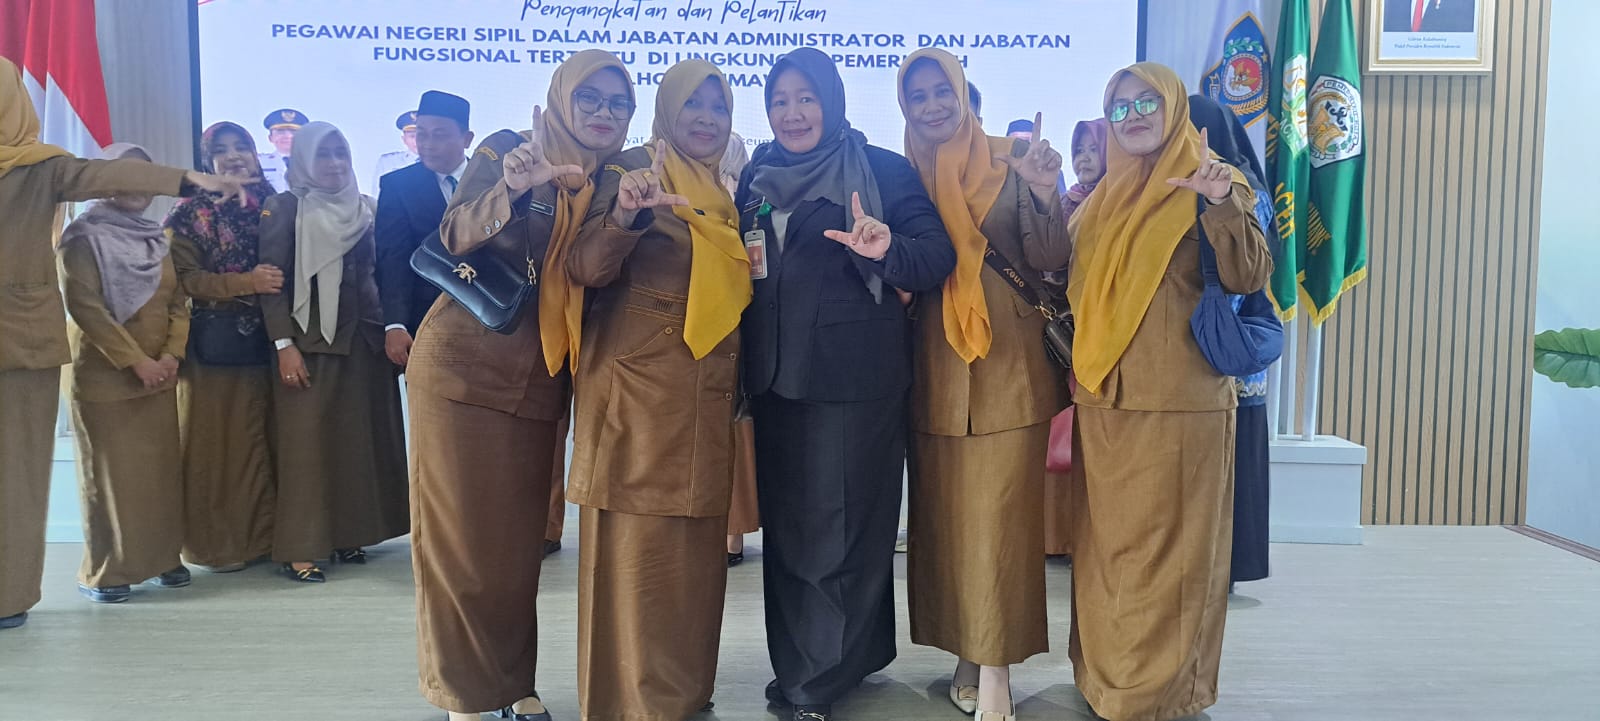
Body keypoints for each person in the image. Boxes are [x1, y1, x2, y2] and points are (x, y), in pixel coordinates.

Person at [406, 49, 634, 721]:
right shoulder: (511, 148)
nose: (603, 112)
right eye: (589, 98)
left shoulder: (612, 178)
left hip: (542, 381)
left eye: (618, 103)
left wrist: (624, 219)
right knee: (459, 545)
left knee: (514, 548)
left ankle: (511, 682)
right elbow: (454, 233)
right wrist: (510, 190)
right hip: (463, 371)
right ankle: (465, 697)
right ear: (562, 98)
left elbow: (589, 270)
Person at [738, 47, 957, 721]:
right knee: (790, 537)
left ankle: (814, 683)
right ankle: (822, 661)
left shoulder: (881, 169)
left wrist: (886, 248)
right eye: (780, 100)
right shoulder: (756, 176)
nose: (793, 113)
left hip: (853, 382)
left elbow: (935, 257)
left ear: (831, 101)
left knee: (838, 531)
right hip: (775, 380)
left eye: (806, 98)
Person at [0, 56, 248, 630]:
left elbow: (105, 176)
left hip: (21, 346)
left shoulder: (41, 169)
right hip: (56, 353)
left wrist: (190, 180)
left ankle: (8, 596)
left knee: (17, 478)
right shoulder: (68, 207)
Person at [1065, 63, 1271, 721]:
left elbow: (1249, 275)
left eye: (1147, 102)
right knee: (1109, 556)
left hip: (1182, 402)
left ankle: (1157, 695)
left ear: (1175, 105)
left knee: (1172, 563)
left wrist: (1218, 202)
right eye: (1120, 107)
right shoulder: (1102, 196)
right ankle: (1107, 682)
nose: (1133, 116)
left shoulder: (1214, 178)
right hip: (1104, 398)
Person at [567, 57, 747, 721]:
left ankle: (682, 696)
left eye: (719, 107)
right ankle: (630, 703)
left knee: (693, 561)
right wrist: (625, 214)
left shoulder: (723, 190)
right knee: (635, 559)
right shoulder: (632, 170)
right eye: (693, 104)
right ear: (668, 109)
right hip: (638, 402)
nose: (707, 119)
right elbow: (585, 265)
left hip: (706, 395)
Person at [896, 49, 1071, 721]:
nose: (932, 105)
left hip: (1009, 369)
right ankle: (967, 654)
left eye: (942, 91)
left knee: (1001, 523)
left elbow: (1050, 257)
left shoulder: (1012, 157)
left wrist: (1046, 192)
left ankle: (996, 668)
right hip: (932, 373)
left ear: (964, 93)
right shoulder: (899, 173)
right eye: (918, 96)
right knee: (948, 523)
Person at [258, 121, 409, 584]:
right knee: (305, 449)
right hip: (308, 345)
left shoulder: (366, 208)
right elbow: (271, 285)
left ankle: (349, 534)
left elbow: (381, 276)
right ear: (304, 159)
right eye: (323, 154)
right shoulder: (285, 208)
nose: (335, 164)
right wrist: (284, 345)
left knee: (354, 445)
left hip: (364, 346)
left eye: (341, 154)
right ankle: (300, 548)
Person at [59, 144, 192, 604]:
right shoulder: (82, 236)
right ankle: (107, 571)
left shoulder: (156, 237)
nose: (138, 185)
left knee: (158, 475)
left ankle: (162, 559)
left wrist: (171, 356)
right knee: (110, 479)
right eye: (125, 174)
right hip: (106, 376)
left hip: (159, 376)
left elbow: (177, 302)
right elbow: (86, 309)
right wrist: (137, 362)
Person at [164, 122, 283, 573]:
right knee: (217, 448)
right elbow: (184, 280)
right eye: (221, 150)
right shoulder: (190, 212)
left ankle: (265, 539)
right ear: (207, 161)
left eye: (242, 147)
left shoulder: (274, 203)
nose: (234, 157)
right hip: (215, 347)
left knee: (265, 438)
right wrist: (245, 283)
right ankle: (218, 547)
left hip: (272, 341)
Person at [1189, 94, 1274, 591]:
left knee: (1229, 464)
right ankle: (1233, 566)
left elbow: (1243, 272)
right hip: (1236, 350)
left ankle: (1226, 566)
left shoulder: (1235, 189)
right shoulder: (1244, 183)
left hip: (1223, 346)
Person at [1043, 117, 1110, 557]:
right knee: (1064, 438)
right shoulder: (1066, 204)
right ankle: (1060, 538)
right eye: (1078, 150)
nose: (1084, 158)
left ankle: (1094, 536)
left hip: (1108, 335)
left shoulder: (1121, 200)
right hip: (1067, 337)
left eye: (1093, 148)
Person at [375, 91, 473, 367]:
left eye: (440, 135)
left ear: (467, 139)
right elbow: (393, 258)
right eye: (421, 134)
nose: (428, 144)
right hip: (427, 318)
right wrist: (395, 323)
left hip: (492, 315)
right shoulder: (398, 185)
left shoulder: (494, 179)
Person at [718, 130, 759, 566]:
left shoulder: (740, 199)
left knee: (729, 425)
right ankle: (732, 535)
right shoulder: (749, 198)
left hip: (728, 322)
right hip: (741, 322)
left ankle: (729, 534)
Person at [1006, 119, 1068, 198]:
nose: (1021, 145)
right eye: (1017, 141)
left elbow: (1061, 202)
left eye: (1026, 141)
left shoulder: (1050, 172)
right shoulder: (996, 169)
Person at [370, 110, 421, 195]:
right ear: (404, 139)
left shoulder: (441, 163)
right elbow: (377, 196)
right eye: (412, 136)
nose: (417, 140)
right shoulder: (388, 162)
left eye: (421, 135)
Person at [258, 109, 307, 193]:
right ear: (270, 138)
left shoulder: (315, 164)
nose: (287, 136)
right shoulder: (259, 162)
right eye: (280, 131)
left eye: (293, 131)